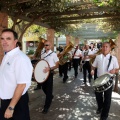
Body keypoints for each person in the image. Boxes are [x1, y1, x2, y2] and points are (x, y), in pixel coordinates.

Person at [0, 29, 33, 120]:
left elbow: (22, 84)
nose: (4, 42)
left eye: (8, 39)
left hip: (16, 102)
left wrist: (11, 107)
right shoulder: (7, 55)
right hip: (6, 101)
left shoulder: (20, 59)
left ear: (15, 41)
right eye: (2, 38)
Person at [91, 42, 119, 120]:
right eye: (103, 46)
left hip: (109, 81)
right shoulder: (98, 57)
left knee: (107, 98)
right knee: (98, 97)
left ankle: (104, 115)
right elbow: (93, 66)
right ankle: (100, 107)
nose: (105, 48)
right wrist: (92, 70)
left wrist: (114, 71)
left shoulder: (113, 58)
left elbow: (117, 69)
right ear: (101, 48)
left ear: (110, 48)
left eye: (107, 46)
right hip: (99, 80)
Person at [41, 40, 59, 114]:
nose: (46, 46)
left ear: (51, 46)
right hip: (43, 74)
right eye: (45, 45)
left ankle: (46, 107)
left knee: (48, 90)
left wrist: (50, 68)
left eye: (47, 45)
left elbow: (57, 65)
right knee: (43, 88)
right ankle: (50, 96)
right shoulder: (42, 54)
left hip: (50, 73)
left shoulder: (53, 54)